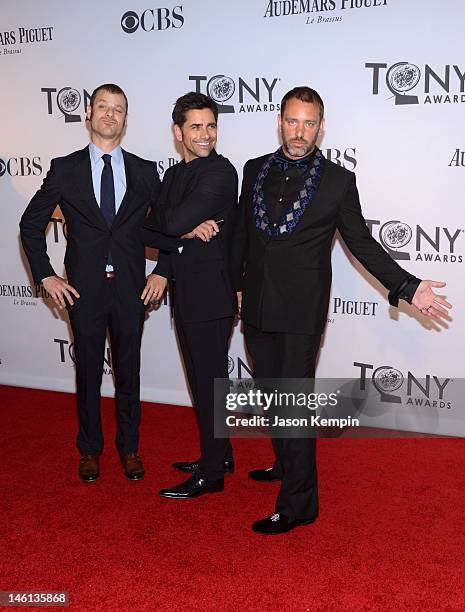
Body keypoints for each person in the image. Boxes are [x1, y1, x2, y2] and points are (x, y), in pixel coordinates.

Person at [232, 86, 452, 534]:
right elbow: (242, 236)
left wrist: (408, 287)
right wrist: (235, 286)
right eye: (292, 121)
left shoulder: (336, 181)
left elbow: (361, 243)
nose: (299, 131)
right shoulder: (253, 169)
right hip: (254, 304)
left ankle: (298, 505)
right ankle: (287, 465)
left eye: (308, 123)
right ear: (279, 120)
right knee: (274, 400)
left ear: (321, 126)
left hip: (300, 311)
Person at [20, 83, 181, 483]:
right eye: (104, 107)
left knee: (129, 372)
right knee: (88, 372)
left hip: (131, 289)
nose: (110, 115)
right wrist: (45, 274)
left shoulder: (145, 171)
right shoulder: (66, 168)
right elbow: (30, 224)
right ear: (89, 112)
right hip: (84, 291)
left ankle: (129, 448)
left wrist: (162, 270)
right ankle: (90, 449)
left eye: (119, 109)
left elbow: (168, 228)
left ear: (126, 120)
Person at [153, 92, 238, 499]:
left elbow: (165, 222)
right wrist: (180, 230)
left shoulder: (221, 173)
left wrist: (174, 227)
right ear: (178, 131)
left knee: (209, 383)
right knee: (202, 380)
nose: (205, 135)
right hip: (185, 289)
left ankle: (211, 473)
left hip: (211, 292)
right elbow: (162, 229)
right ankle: (219, 454)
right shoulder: (171, 177)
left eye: (211, 126)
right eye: (196, 127)